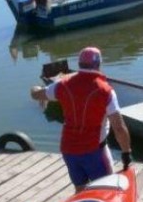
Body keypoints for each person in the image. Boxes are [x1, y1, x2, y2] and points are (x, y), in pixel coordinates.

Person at [30, 46, 132, 192]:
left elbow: (36, 95)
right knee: (106, 191)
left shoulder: (62, 85)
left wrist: (34, 88)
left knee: (80, 190)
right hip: (95, 152)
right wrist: (126, 152)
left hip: (69, 150)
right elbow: (119, 127)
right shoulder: (105, 91)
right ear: (99, 64)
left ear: (79, 64)